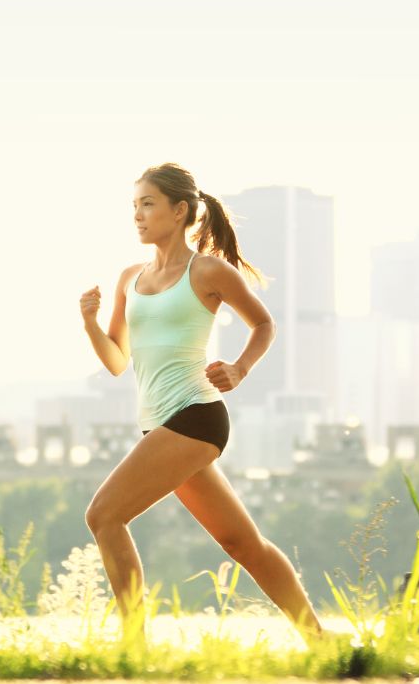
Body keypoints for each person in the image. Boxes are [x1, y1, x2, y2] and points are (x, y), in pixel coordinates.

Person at [78, 162, 324, 648]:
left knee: (104, 515)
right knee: (242, 543)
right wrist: (89, 323)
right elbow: (116, 360)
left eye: (148, 204)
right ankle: (320, 640)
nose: (138, 215)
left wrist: (239, 368)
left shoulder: (207, 270)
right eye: (134, 206)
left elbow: (263, 324)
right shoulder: (130, 278)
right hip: (159, 426)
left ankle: (133, 647)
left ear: (180, 210)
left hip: (196, 416)